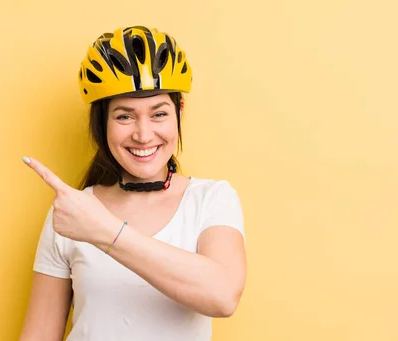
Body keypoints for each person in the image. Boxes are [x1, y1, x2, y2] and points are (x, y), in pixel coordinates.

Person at [19, 25, 246, 341]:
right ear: (102, 122)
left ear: (179, 112)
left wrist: (105, 231)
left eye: (158, 114)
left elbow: (222, 296)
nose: (143, 134)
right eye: (124, 116)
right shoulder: (73, 211)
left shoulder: (212, 199)